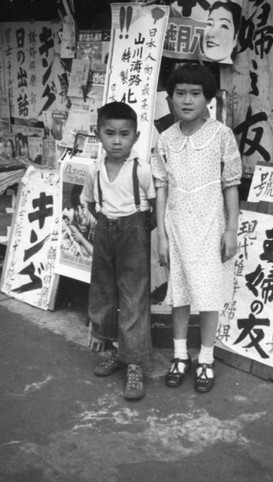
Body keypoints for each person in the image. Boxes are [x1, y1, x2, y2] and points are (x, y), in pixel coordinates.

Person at [151, 63, 242, 393]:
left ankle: (205, 357)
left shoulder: (221, 135)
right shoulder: (166, 139)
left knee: (208, 295)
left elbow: (231, 184)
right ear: (170, 98)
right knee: (178, 294)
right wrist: (161, 234)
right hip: (176, 227)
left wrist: (231, 230)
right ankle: (179, 355)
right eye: (180, 94)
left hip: (210, 226)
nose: (186, 100)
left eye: (195, 94)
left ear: (208, 99)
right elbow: (161, 187)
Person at [82, 101, 156, 401]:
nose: (116, 140)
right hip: (104, 231)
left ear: (135, 137)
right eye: (109, 133)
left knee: (133, 297)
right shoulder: (94, 171)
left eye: (124, 134)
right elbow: (89, 203)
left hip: (133, 232)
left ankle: (134, 363)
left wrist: (135, 230)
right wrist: (106, 223)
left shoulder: (141, 170)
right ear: (98, 134)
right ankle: (115, 351)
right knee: (104, 292)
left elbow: (153, 206)